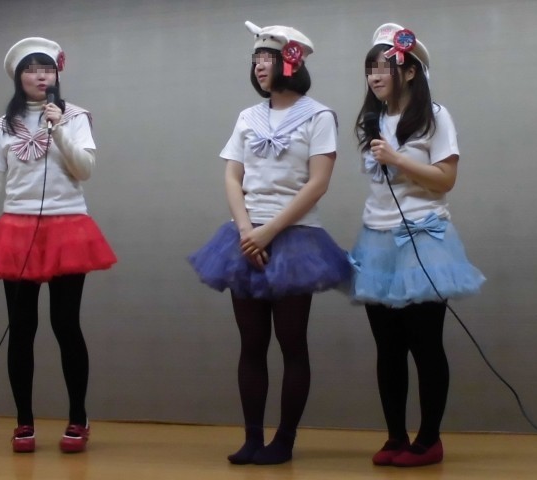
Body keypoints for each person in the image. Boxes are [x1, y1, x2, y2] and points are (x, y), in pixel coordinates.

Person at [188, 21, 351, 465]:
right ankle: (252, 438)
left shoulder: (319, 116)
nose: (260, 65)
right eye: (256, 58)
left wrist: (269, 231)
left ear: (291, 62)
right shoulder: (248, 117)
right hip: (245, 237)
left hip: (295, 239)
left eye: (268, 58)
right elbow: (232, 175)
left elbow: (317, 184)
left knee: (292, 343)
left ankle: (285, 440)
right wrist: (246, 231)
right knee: (251, 343)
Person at [0, 37, 116, 453]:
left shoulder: (75, 117)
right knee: (21, 328)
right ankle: (24, 422)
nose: (40, 76)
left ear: (57, 74)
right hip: (17, 230)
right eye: (30, 69)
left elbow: (84, 170)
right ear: (18, 77)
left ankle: (78, 418)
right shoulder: (3, 126)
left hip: (67, 229)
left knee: (66, 325)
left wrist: (58, 128)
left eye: (46, 68)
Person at [350, 23, 485, 467]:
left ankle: (429, 440)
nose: (374, 76)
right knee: (387, 347)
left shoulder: (435, 116)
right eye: (370, 68)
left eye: (383, 67)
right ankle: (395, 437)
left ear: (409, 72)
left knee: (424, 344)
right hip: (377, 241)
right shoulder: (372, 121)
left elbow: (446, 180)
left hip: (424, 239)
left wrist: (397, 159)